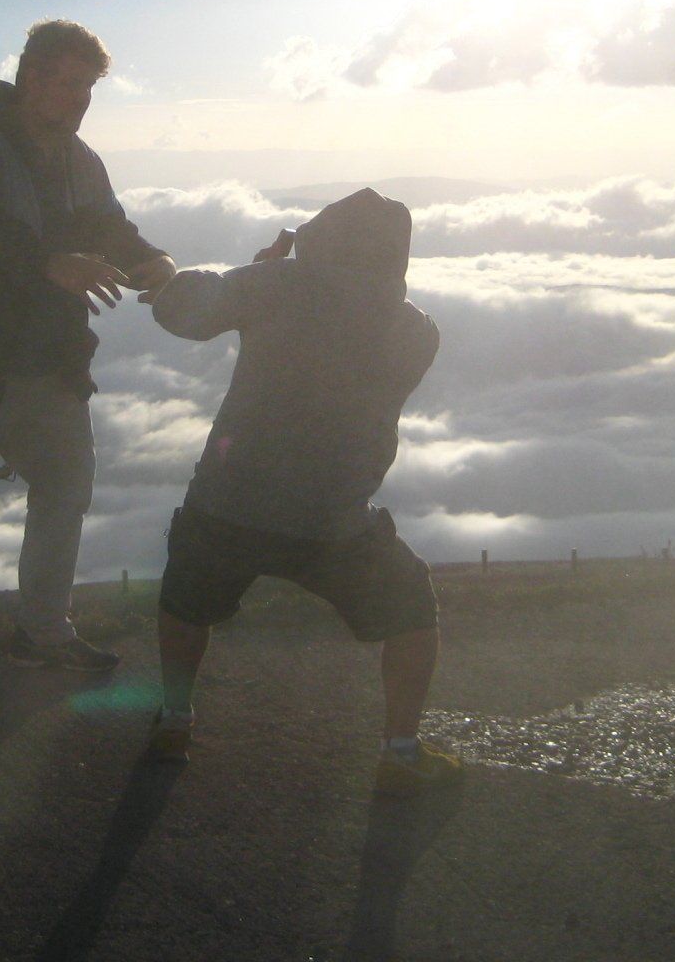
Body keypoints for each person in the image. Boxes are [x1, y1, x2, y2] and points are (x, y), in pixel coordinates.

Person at [0, 19, 175, 709]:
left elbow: (110, 226)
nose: (78, 99)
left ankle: (41, 631)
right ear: (30, 76)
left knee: (66, 490)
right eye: (67, 82)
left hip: (47, 362)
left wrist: (149, 261)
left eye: (87, 87)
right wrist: (50, 262)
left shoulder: (82, 159)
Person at [145, 188, 463, 795]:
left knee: (186, 599)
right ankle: (400, 751)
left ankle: (175, 720)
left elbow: (178, 311)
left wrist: (260, 274)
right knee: (412, 607)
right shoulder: (418, 332)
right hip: (334, 519)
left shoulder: (275, 288)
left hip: (227, 502)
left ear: (319, 239)